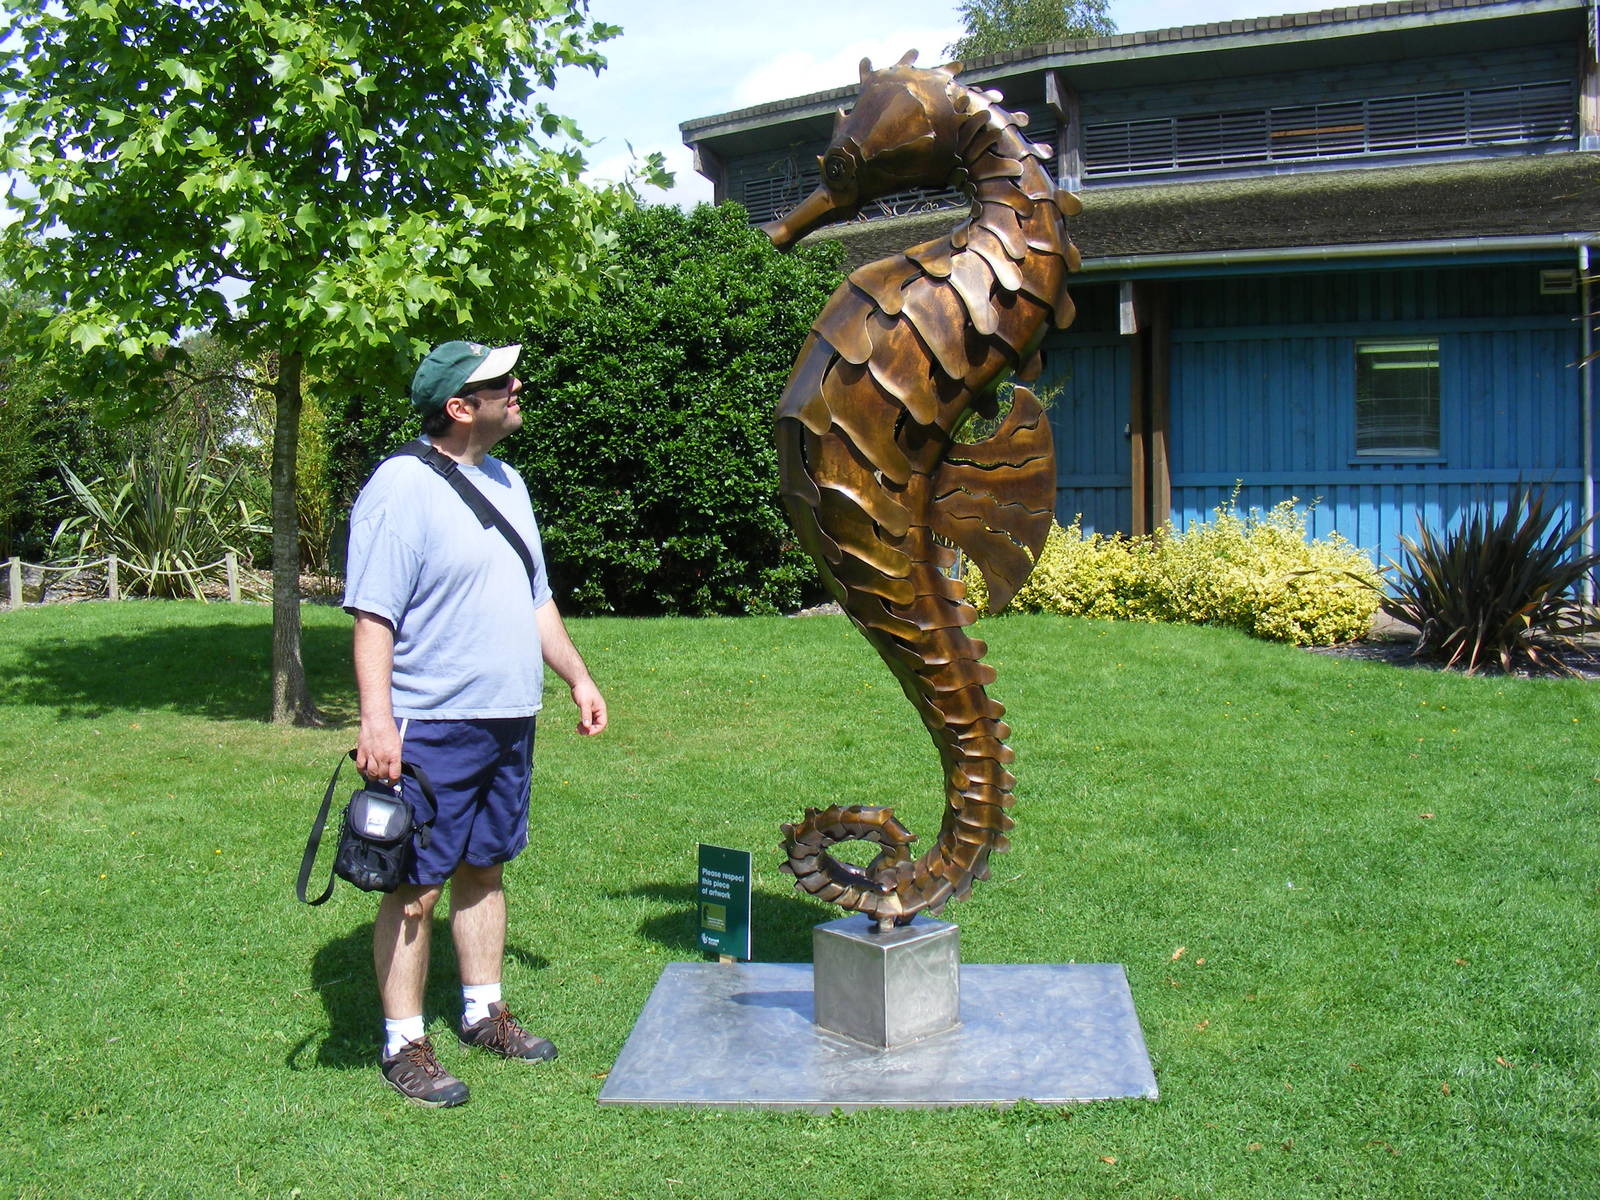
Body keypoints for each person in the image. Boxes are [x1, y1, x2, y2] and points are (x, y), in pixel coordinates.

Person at [342, 340, 607, 1107]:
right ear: (460, 408)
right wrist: (378, 721)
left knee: (485, 867)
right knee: (415, 887)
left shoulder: (508, 481)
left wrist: (577, 676)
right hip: (431, 726)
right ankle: (404, 1043)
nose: (516, 386)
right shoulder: (400, 487)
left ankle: (484, 1011)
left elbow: (536, 600)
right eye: (500, 383)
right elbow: (373, 617)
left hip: (507, 721)